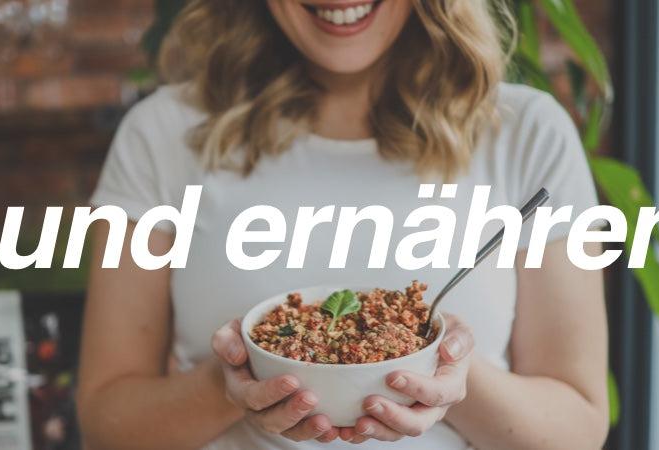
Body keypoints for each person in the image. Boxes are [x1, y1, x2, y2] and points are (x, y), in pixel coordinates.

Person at [76, 1, 609, 448]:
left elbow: (580, 427)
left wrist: (454, 382)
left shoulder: (526, 133)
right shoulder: (162, 135)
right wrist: (232, 383)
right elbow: (105, 419)